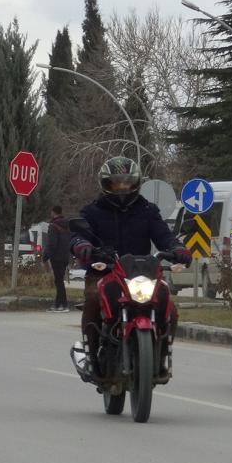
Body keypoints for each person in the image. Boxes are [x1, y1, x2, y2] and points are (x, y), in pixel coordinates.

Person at [70, 156, 192, 376]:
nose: (122, 188)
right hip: (104, 272)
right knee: (93, 299)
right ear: (106, 183)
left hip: (141, 273)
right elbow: (79, 234)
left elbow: (164, 235)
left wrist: (177, 248)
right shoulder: (93, 211)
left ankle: (162, 355)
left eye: (127, 183)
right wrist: (82, 245)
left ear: (136, 183)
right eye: (116, 183)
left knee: (170, 309)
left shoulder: (147, 210)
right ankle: (91, 356)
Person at [43, 205, 71, 312]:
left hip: (56, 257)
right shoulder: (67, 225)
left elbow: (52, 244)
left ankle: (63, 305)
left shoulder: (53, 226)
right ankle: (58, 304)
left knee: (59, 282)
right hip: (65, 256)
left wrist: (46, 256)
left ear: (53, 212)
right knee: (59, 281)